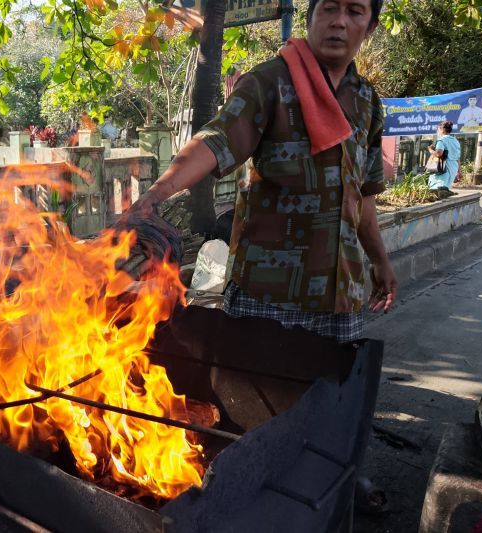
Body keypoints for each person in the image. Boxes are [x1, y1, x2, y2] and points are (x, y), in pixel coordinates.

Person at [132, 0, 395, 513]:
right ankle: (247, 502)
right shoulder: (270, 83)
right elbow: (215, 141)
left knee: (331, 403)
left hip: (340, 291)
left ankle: (334, 482)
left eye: (355, 11)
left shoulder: (367, 101)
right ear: (312, 14)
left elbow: (363, 198)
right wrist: (153, 197)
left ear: (370, 24)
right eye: (329, 9)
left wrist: (380, 261)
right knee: (257, 410)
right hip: (269, 292)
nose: (339, 21)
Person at [427, 121, 461, 199]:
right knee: (445, 190)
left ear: (442, 129)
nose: (437, 132)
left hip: (443, 168)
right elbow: (458, 158)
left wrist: (430, 150)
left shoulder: (441, 140)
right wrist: (459, 171)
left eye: (438, 129)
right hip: (453, 167)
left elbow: (439, 153)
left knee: (436, 190)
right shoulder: (455, 141)